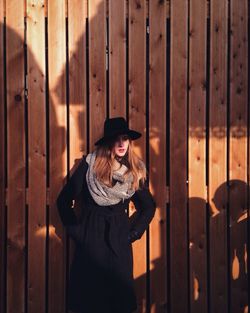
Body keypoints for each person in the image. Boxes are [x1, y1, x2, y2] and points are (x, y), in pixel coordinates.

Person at [56, 116, 157, 313]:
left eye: (125, 138)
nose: (121, 143)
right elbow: (63, 201)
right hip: (90, 244)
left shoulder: (134, 171)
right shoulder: (90, 166)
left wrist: (132, 233)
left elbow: (148, 207)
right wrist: (79, 233)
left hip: (118, 244)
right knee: (89, 302)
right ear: (108, 141)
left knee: (118, 303)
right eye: (116, 138)